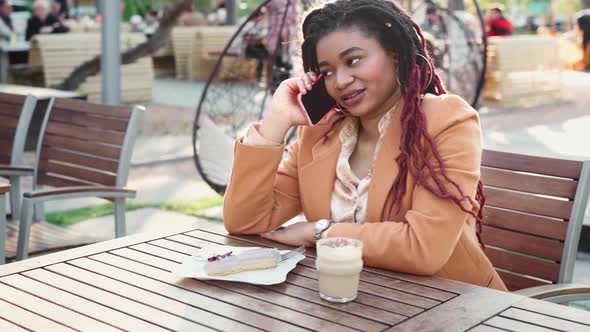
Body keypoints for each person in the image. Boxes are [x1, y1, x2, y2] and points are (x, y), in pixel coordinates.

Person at [223, 0, 507, 291]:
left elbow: (423, 249)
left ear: (395, 53)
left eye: (354, 60)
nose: (341, 81)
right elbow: (245, 221)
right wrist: (276, 123)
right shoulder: (321, 133)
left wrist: (321, 232)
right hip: (352, 302)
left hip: (457, 305)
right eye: (328, 71)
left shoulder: (446, 121)